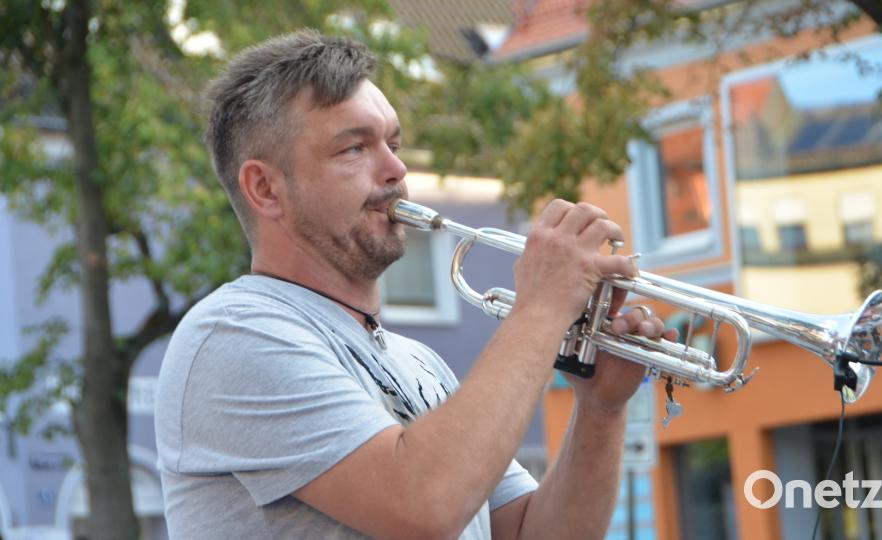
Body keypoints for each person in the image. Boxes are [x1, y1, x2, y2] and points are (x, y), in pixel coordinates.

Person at [155, 29, 675, 540]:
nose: (396, 170)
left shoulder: (419, 363)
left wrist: (601, 409)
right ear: (265, 188)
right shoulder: (235, 335)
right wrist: (541, 309)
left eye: (394, 144)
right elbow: (424, 506)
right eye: (354, 149)